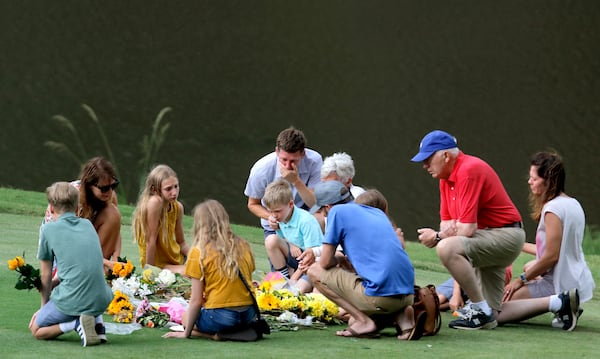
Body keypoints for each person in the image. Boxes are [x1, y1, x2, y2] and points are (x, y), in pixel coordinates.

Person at [411, 130, 525, 330]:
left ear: (445, 156)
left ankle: (479, 309)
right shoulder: (445, 179)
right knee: (495, 314)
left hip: (505, 236)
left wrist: (438, 236)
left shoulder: (468, 169)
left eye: (428, 159)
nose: (425, 165)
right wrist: (448, 231)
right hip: (489, 236)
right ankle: (557, 303)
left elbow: (465, 230)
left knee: (445, 248)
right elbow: (446, 223)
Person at [306, 181, 421, 340]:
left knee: (314, 271)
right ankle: (403, 318)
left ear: (328, 206)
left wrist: (336, 258)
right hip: (408, 294)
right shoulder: (376, 212)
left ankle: (364, 322)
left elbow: (325, 262)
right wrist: (340, 258)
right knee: (352, 319)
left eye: (323, 211)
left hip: (380, 297)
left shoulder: (337, 212)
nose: (324, 215)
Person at [497, 151, 594, 331]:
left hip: (559, 282)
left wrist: (520, 280)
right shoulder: (573, 203)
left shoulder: (552, 210)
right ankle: (566, 307)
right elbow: (555, 249)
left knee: (496, 311)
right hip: (577, 278)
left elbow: (551, 257)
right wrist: (516, 246)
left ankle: (560, 303)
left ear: (548, 180)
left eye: (534, 178)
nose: (529, 182)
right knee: (529, 265)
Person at [29, 182, 113, 346]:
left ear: (51, 208)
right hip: (102, 298)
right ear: (77, 208)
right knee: (85, 297)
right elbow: (82, 264)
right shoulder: (88, 225)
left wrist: (43, 308)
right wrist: (56, 282)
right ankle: (98, 325)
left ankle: (75, 324)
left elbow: (45, 275)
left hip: (73, 301)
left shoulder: (48, 230)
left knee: (36, 329)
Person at [162, 200, 257, 340]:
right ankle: (227, 332)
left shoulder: (199, 252)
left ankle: (210, 335)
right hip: (248, 313)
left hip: (221, 316)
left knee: (186, 317)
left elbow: (196, 300)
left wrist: (185, 333)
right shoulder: (244, 245)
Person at [43, 157, 122, 272]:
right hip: (60, 251)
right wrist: (107, 263)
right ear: (89, 185)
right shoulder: (71, 199)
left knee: (113, 213)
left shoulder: (109, 196)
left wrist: (115, 260)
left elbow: (116, 232)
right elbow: (68, 247)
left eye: (113, 185)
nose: (110, 191)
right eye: (104, 188)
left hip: (85, 247)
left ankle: (97, 273)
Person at [244, 127, 322, 239]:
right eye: (284, 160)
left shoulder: (314, 161)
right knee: (273, 242)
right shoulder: (261, 169)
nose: (288, 166)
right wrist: (271, 216)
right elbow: (253, 204)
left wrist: (296, 181)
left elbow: (315, 204)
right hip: (276, 225)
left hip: (305, 219)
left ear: (303, 154)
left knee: (320, 217)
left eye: (293, 161)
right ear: (277, 151)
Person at [262, 179, 323, 293]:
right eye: (271, 211)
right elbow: (285, 237)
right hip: (299, 257)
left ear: (290, 204)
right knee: (271, 240)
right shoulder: (281, 217)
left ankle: (289, 284)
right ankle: (282, 279)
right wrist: (292, 244)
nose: (274, 216)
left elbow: (310, 257)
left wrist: (293, 280)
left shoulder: (306, 221)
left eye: (277, 211)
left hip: (313, 263)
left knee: (297, 291)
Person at [133, 164, 189, 274]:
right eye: (168, 189)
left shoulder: (178, 207)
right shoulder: (155, 202)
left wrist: (196, 258)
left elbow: (181, 243)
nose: (174, 192)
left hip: (177, 260)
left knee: (203, 267)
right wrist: (149, 272)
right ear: (155, 190)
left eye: (176, 186)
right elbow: (150, 241)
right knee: (191, 273)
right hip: (159, 265)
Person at [314, 152, 365, 233]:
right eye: (324, 182)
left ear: (348, 181)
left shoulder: (359, 197)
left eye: (332, 184)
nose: (326, 188)